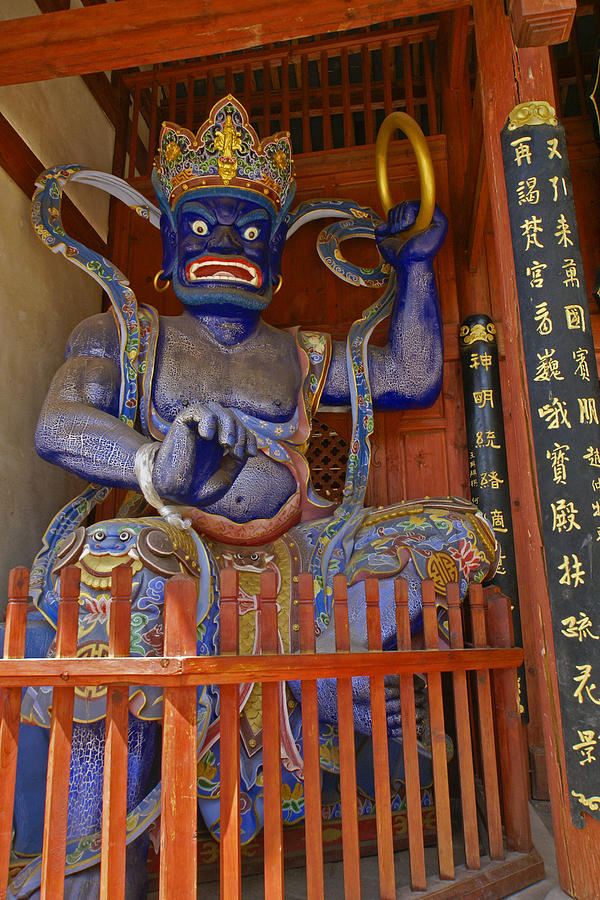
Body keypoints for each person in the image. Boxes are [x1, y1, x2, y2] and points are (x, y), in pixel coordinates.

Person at [8, 95, 496, 898]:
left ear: (274, 256)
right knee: (116, 560)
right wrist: (152, 466)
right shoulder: (128, 334)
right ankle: (97, 855)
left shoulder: (299, 352)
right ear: (167, 245)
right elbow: (59, 424)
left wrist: (414, 271)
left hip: (299, 550)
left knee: (455, 532)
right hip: (174, 547)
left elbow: (409, 377)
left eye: (248, 230)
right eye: (200, 228)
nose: (226, 243)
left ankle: (354, 696)